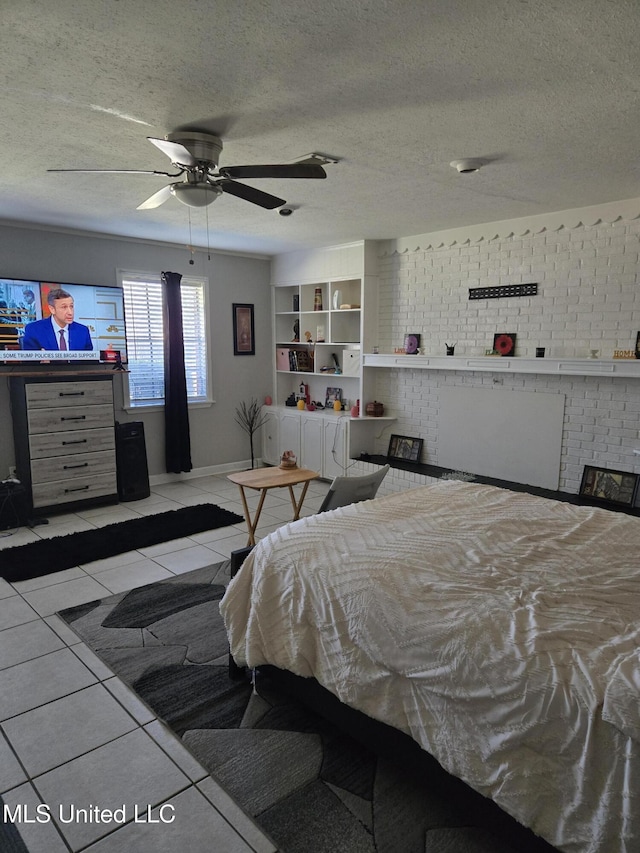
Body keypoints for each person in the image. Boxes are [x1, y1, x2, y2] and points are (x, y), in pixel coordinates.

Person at [21, 288, 93, 351]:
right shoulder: (34, 330)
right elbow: (28, 363)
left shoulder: (83, 331)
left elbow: (90, 363)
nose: (70, 312)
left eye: (71, 306)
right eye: (64, 307)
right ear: (52, 309)